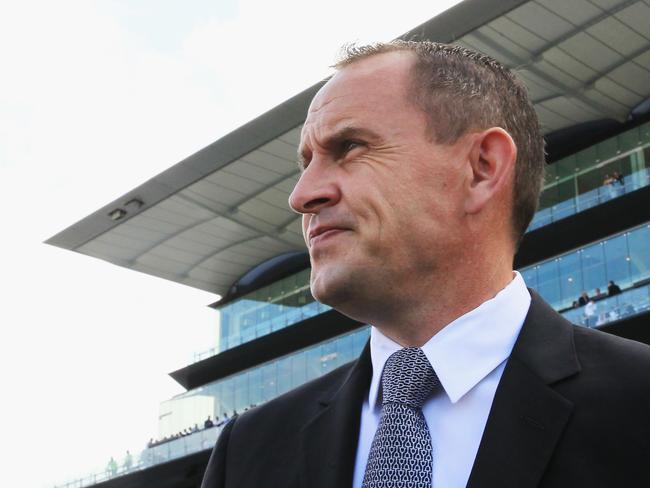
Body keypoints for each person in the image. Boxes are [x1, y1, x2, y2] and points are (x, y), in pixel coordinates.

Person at [201, 41, 650, 487]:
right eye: (307, 163)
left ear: (482, 167)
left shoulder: (637, 402)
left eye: (351, 147)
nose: (301, 196)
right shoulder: (247, 452)